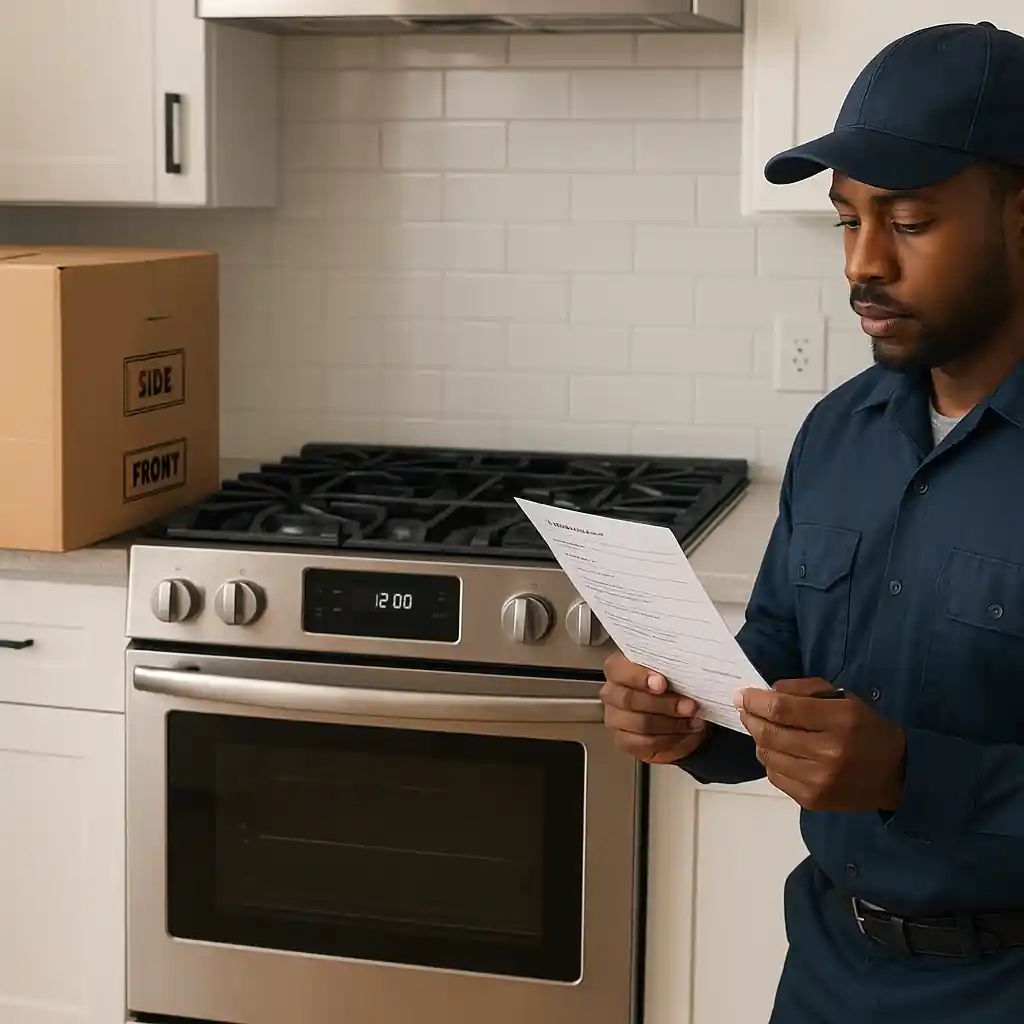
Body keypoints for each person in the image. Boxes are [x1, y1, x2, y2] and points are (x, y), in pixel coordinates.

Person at [600, 19, 1024, 1024]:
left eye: (908, 221)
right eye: (846, 220)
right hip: (828, 970)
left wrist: (912, 773)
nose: (861, 264)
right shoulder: (839, 433)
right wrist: (690, 716)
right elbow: (775, 662)